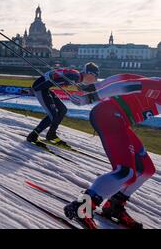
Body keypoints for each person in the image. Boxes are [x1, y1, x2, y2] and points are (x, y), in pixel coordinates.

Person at [64, 74, 159, 229]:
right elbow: (126, 85)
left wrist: (94, 87)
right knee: (126, 172)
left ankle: (114, 206)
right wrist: (91, 97)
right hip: (108, 116)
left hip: (119, 121)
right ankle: (82, 208)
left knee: (146, 169)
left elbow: (122, 77)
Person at [26, 62, 99, 147]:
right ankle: (33, 136)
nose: (95, 79)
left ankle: (51, 134)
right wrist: (33, 89)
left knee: (62, 110)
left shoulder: (77, 76)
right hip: (40, 88)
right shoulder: (74, 76)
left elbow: (55, 76)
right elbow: (52, 78)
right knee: (52, 115)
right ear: (89, 73)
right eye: (95, 76)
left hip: (45, 88)